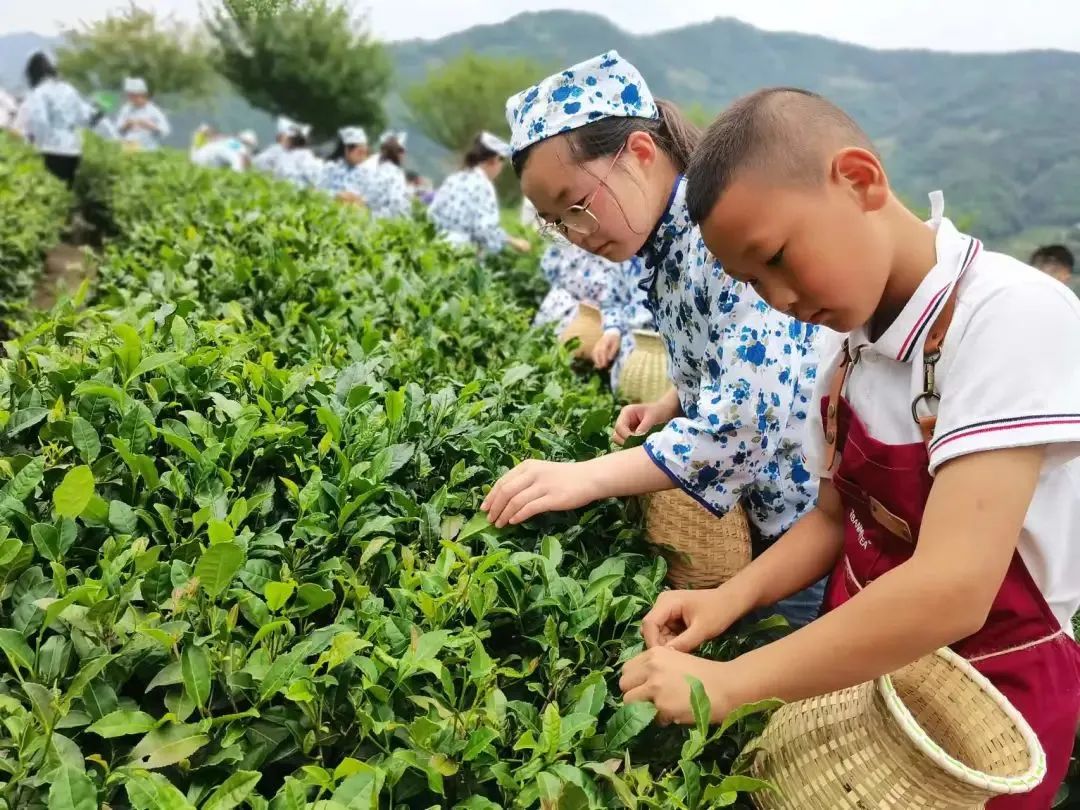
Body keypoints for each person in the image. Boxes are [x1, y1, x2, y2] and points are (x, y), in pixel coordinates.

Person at [620, 87, 1080, 808]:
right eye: (753, 281)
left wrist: (731, 685)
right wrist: (726, 601)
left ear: (859, 180)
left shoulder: (1009, 318)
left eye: (777, 256)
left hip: (975, 719)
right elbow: (836, 518)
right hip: (855, 684)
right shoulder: (848, 345)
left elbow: (954, 590)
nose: (779, 298)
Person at [482, 51, 823, 628]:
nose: (575, 236)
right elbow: (730, 355)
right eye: (555, 223)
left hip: (808, 529)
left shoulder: (720, 234)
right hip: (767, 517)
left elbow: (742, 421)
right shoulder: (666, 243)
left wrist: (586, 476)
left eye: (578, 208)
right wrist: (672, 401)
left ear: (639, 153)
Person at [427, 131, 530, 254]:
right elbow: (485, 230)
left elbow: (432, 213)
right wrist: (513, 241)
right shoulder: (483, 186)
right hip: (463, 253)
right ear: (494, 160)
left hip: (438, 248)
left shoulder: (454, 178)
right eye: (501, 162)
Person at [16, 51, 94, 186]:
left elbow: (40, 121)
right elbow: (83, 117)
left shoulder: (40, 92)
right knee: (67, 189)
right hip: (73, 149)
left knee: (51, 190)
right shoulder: (68, 89)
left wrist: (36, 144)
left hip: (51, 150)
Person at [593, 255, 656, 389]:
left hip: (671, 346)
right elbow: (613, 301)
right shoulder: (621, 257)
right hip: (634, 341)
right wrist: (612, 331)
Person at [319, 126, 374, 204]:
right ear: (347, 150)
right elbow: (319, 191)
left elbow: (372, 196)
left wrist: (357, 199)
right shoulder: (330, 168)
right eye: (360, 152)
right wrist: (337, 196)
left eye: (365, 153)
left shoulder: (368, 171)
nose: (363, 157)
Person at [364, 131, 412, 220]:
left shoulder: (376, 168)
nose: (404, 155)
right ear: (396, 152)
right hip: (385, 222)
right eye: (402, 151)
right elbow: (398, 202)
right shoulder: (396, 173)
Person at [115, 77, 170, 151]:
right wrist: (127, 125)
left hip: (147, 149)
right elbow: (118, 130)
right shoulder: (126, 109)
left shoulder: (153, 110)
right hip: (128, 148)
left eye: (135, 96)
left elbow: (165, 131)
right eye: (130, 96)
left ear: (143, 95)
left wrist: (149, 125)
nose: (132, 99)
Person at [272, 122, 324, 190]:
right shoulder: (282, 152)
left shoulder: (305, 155)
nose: (284, 139)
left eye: (287, 137)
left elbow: (311, 178)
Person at [191, 130, 257, 172]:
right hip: (205, 166)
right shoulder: (239, 149)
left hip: (196, 158)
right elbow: (238, 169)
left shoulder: (229, 141)